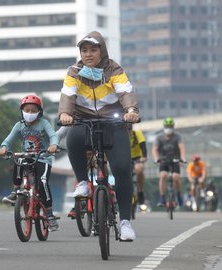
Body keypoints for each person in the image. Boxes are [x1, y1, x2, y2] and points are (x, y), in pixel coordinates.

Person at [58, 31, 139, 241]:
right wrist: (65, 114)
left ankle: (125, 223)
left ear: (102, 50)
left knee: (122, 169)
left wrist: (130, 110)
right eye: (84, 50)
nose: (88, 54)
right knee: (73, 138)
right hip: (84, 120)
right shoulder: (74, 72)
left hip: (113, 122)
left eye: (93, 49)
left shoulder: (114, 69)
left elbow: (125, 91)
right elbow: (68, 94)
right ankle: (83, 182)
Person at [0, 95, 60, 231]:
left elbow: (53, 135)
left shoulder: (44, 123)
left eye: (33, 111)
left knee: (42, 182)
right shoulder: (19, 125)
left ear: (39, 112)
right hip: (27, 156)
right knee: (18, 160)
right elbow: (9, 139)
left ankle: (49, 214)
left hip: (43, 158)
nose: (29, 113)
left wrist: (53, 145)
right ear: (22, 111)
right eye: (27, 110)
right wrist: (3, 148)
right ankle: (15, 192)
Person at [152, 117, 186, 207]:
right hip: (163, 160)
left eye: (170, 126)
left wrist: (182, 158)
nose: (168, 128)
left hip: (175, 160)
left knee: (176, 177)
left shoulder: (178, 137)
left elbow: (181, 147)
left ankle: (179, 195)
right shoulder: (159, 137)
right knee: (163, 176)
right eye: (167, 126)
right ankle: (162, 198)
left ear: (173, 127)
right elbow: (155, 149)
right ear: (164, 127)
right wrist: (156, 158)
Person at [128, 125, 147, 205]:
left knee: (139, 169)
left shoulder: (137, 133)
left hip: (137, 157)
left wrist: (144, 156)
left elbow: (143, 145)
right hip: (125, 157)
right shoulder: (121, 134)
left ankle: (140, 191)